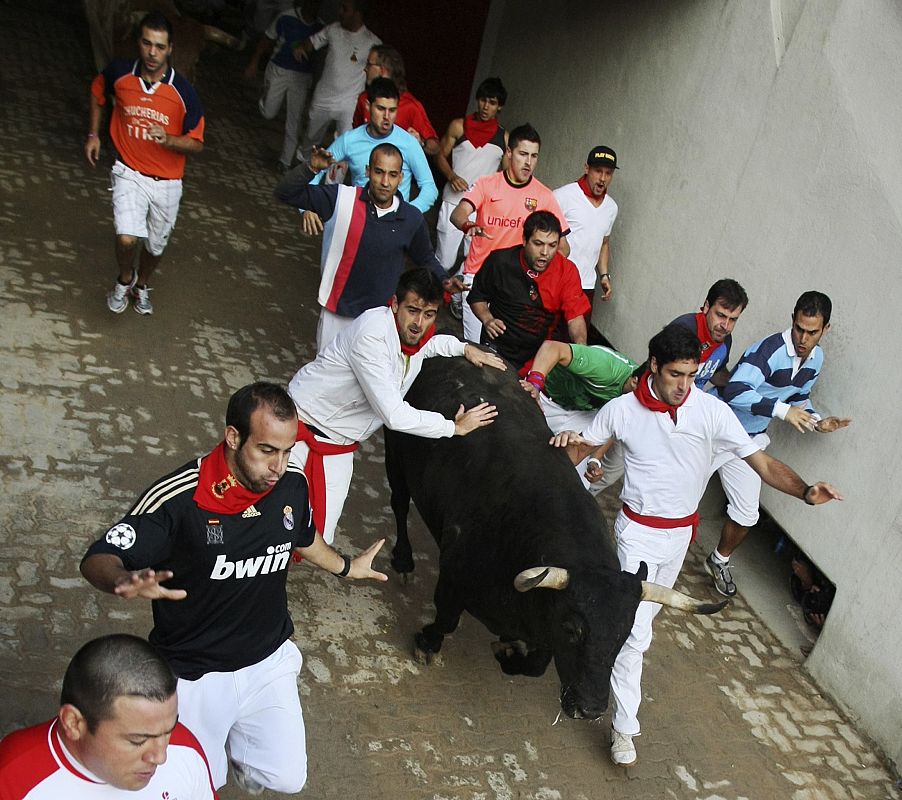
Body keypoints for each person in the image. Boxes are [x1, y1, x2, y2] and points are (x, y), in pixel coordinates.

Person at [551, 323, 842, 767]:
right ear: (653, 367)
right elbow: (583, 451)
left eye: (690, 375)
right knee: (635, 635)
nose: (684, 386)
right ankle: (624, 729)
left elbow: (760, 461)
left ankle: (597, 664)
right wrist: (561, 454)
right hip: (638, 535)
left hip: (679, 537)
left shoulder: (710, 410)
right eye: (675, 375)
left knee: (638, 629)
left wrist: (804, 491)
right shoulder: (622, 410)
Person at [80, 383, 388, 795]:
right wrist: (122, 579)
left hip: (269, 660)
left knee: (287, 778)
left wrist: (346, 567)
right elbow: (99, 556)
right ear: (233, 437)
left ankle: (240, 753)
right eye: (266, 450)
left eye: (287, 450)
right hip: (196, 674)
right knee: (202, 785)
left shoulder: (292, 484)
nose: (279, 465)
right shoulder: (179, 498)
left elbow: (302, 537)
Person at [288, 268, 506, 544]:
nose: (419, 323)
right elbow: (393, 414)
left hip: (339, 446)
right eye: (412, 310)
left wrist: (463, 348)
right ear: (394, 304)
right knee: (270, 523)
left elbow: (430, 345)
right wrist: (453, 427)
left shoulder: (414, 336)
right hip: (296, 433)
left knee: (319, 539)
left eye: (429, 314)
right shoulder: (372, 336)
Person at [704, 291, 851, 596]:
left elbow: (797, 397)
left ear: (826, 330)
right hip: (717, 428)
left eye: (812, 332)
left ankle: (718, 560)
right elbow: (734, 390)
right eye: (799, 328)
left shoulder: (816, 359)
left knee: (746, 514)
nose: (803, 338)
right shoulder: (770, 350)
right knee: (677, 497)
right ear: (792, 320)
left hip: (750, 439)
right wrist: (782, 412)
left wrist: (816, 420)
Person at [275, 142, 455, 349]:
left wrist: (445, 280)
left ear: (401, 178)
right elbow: (284, 193)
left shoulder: (412, 218)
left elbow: (425, 259)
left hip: (380, 321)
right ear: (368, 171)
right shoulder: (340, 199)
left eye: (392, 174)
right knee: (328, 377)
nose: (385, 182)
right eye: (379, 172)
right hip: (337, 313)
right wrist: (311, 168)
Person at [86, 12, 205, 317]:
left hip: (168, 182)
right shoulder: (120, 73)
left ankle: (142, 285)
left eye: (160, 46)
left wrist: (169, 140)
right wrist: (93, 135)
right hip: (129, 171)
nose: (152, 52)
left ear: (170, 49)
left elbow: (197, 142)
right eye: (147, 43)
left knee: (155, 246)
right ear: (139, 42)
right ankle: (124, 279)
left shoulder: (185, 92)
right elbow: (98, 91)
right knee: (127, 237)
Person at [0, 634, 215, 799]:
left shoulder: (186, 750)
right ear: (73, 723)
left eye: (168, 731)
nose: (160, 757)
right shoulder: (12, 781)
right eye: (138, 740)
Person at [450, 124, 570, 342]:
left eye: (534, 156)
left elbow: (563, 248)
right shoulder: (487, 184)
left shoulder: (544, 196)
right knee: (475, 343)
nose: (528, 162)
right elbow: (458, 214)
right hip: (478, 276)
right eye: (523, 154)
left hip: (517, 285)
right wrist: (469, 226)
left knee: (503, 349)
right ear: (508, 153)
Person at [467, 211, 589, 372]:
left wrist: (582, 354)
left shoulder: (567, 271)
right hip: (497, 347)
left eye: (552, 245)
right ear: (524, 240)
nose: (545, 252)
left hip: (538, 356)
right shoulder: (500, 262)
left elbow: (575, 319)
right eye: (538, 244)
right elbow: (477, 297)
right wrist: (487, 319)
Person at [303, 78, 438, 214]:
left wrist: (408, 214)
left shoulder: (409, 143)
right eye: (381, 109)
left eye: (392, 110)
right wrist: (308, 207)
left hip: (394, 225)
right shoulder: (350, 140)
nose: (386, 116)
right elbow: (315, 169)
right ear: (368, 106)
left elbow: (429, 188)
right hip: (358, 219)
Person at [520, 339, 640, 489]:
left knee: (576, 482)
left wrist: (594, 460)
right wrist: (535, 385)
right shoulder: (606, 366)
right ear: (635, 381)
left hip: (584, 414)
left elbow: (611, 424)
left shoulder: (639, 403)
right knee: (518, 452)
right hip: (546, 398)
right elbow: (551, 347)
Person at [434, 77, 508, 305]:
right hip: (453, 201)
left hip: (482, 209)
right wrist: (452, 176)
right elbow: (439, 155)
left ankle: (457, 296)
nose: (486, 107)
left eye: (492, 102)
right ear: (477, 100)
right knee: (444, 259)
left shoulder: (504, 137)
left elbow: (506, 175)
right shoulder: (459, 126)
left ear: (500, 106)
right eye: (483, 100)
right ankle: (431, 292)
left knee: (473, 258)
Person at [293, 0, 380, 161]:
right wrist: (301, 48)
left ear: (357, 14)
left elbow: (380, 72)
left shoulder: (373, 42)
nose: (340, 12)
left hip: (350, 103)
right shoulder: (332, 30)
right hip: (324, 97)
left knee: (345, 145)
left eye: (345, 9)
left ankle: (332, 183)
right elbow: (311, 43)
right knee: (311, 138)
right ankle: (302, 165)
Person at [244, 0, 323, 173]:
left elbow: (319, 58)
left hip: (302, 77)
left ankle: (285, 161)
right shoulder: (286, 17)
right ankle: (264, 95)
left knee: (294, 120)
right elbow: (267, 39)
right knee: (268, 112)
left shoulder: (320, 27)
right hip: (279, 69)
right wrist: (254, 63)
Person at [553, 145, 619, 313]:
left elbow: (604, 242)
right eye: (598, 171)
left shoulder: (611, 208)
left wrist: (604, 275)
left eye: (608, 173)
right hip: (556, 283)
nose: (603, 178)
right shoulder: (562, 196)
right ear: (586, 168)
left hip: (586, 287)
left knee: (577, 339)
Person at [352, 45, 439, 155]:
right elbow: (355, 134)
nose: (365, 69)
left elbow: (435, 147)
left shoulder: (411, 106)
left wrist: (420, 143)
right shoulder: (364, 98)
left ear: (382, 70)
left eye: (369, 64)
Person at [672, 278, 748, 389]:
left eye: (732, 319)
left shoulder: (726, 339)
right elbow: (656, 369)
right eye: (721, 315)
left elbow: (715, 372)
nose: (725, 326)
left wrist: (738, 384)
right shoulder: (683, 329)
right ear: (707, 307)